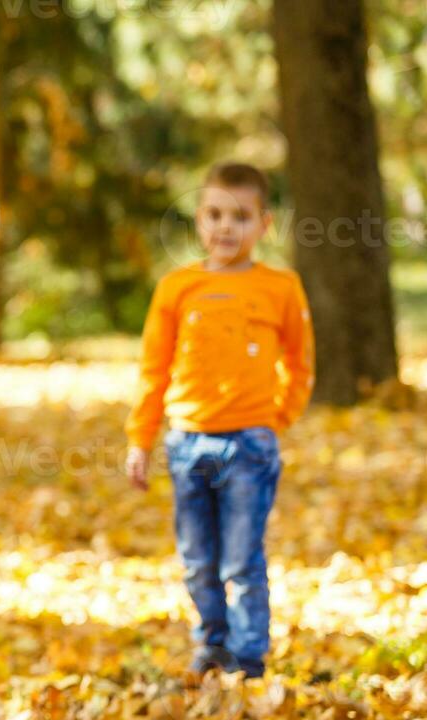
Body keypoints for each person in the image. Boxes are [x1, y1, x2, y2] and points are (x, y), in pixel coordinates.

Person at [125, 162, 315, 680]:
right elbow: (154, 369)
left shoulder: (281, 287)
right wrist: (140, 440)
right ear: (198, 220)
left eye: (240, 216)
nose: (226, 227)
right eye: (214, 214)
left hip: (251, 444)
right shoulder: (176, 288)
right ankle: (211, 645)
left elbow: (299, 364)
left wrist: (276, 418)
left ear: (264, 224)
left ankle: (249, 657)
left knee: (241, 560)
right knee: (197, 561)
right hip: (187, 441)